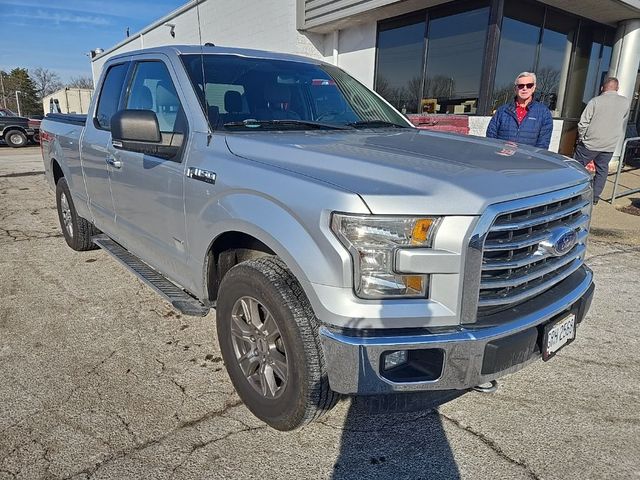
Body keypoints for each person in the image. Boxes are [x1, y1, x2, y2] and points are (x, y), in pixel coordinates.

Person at [574, 77, 630, 204]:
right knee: (602, 170)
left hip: (590, 143)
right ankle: (595, 197)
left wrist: (583, 138)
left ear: (602, 88)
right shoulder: (625, 103)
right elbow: (623, 119)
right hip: (609, 145)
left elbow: (583, 123)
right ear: (617, 88)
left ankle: (574, 192)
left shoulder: (595, 101)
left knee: (576, 167)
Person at [486, 72, 553, 149]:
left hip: (527, 159)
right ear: (515, 89)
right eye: (521, 86)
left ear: (533, 88)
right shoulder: (502, 110)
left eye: (529, 85)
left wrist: (532, 158)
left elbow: (543, 142)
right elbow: (491, 135)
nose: (524, 88)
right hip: (503, 158)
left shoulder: (543, 112)